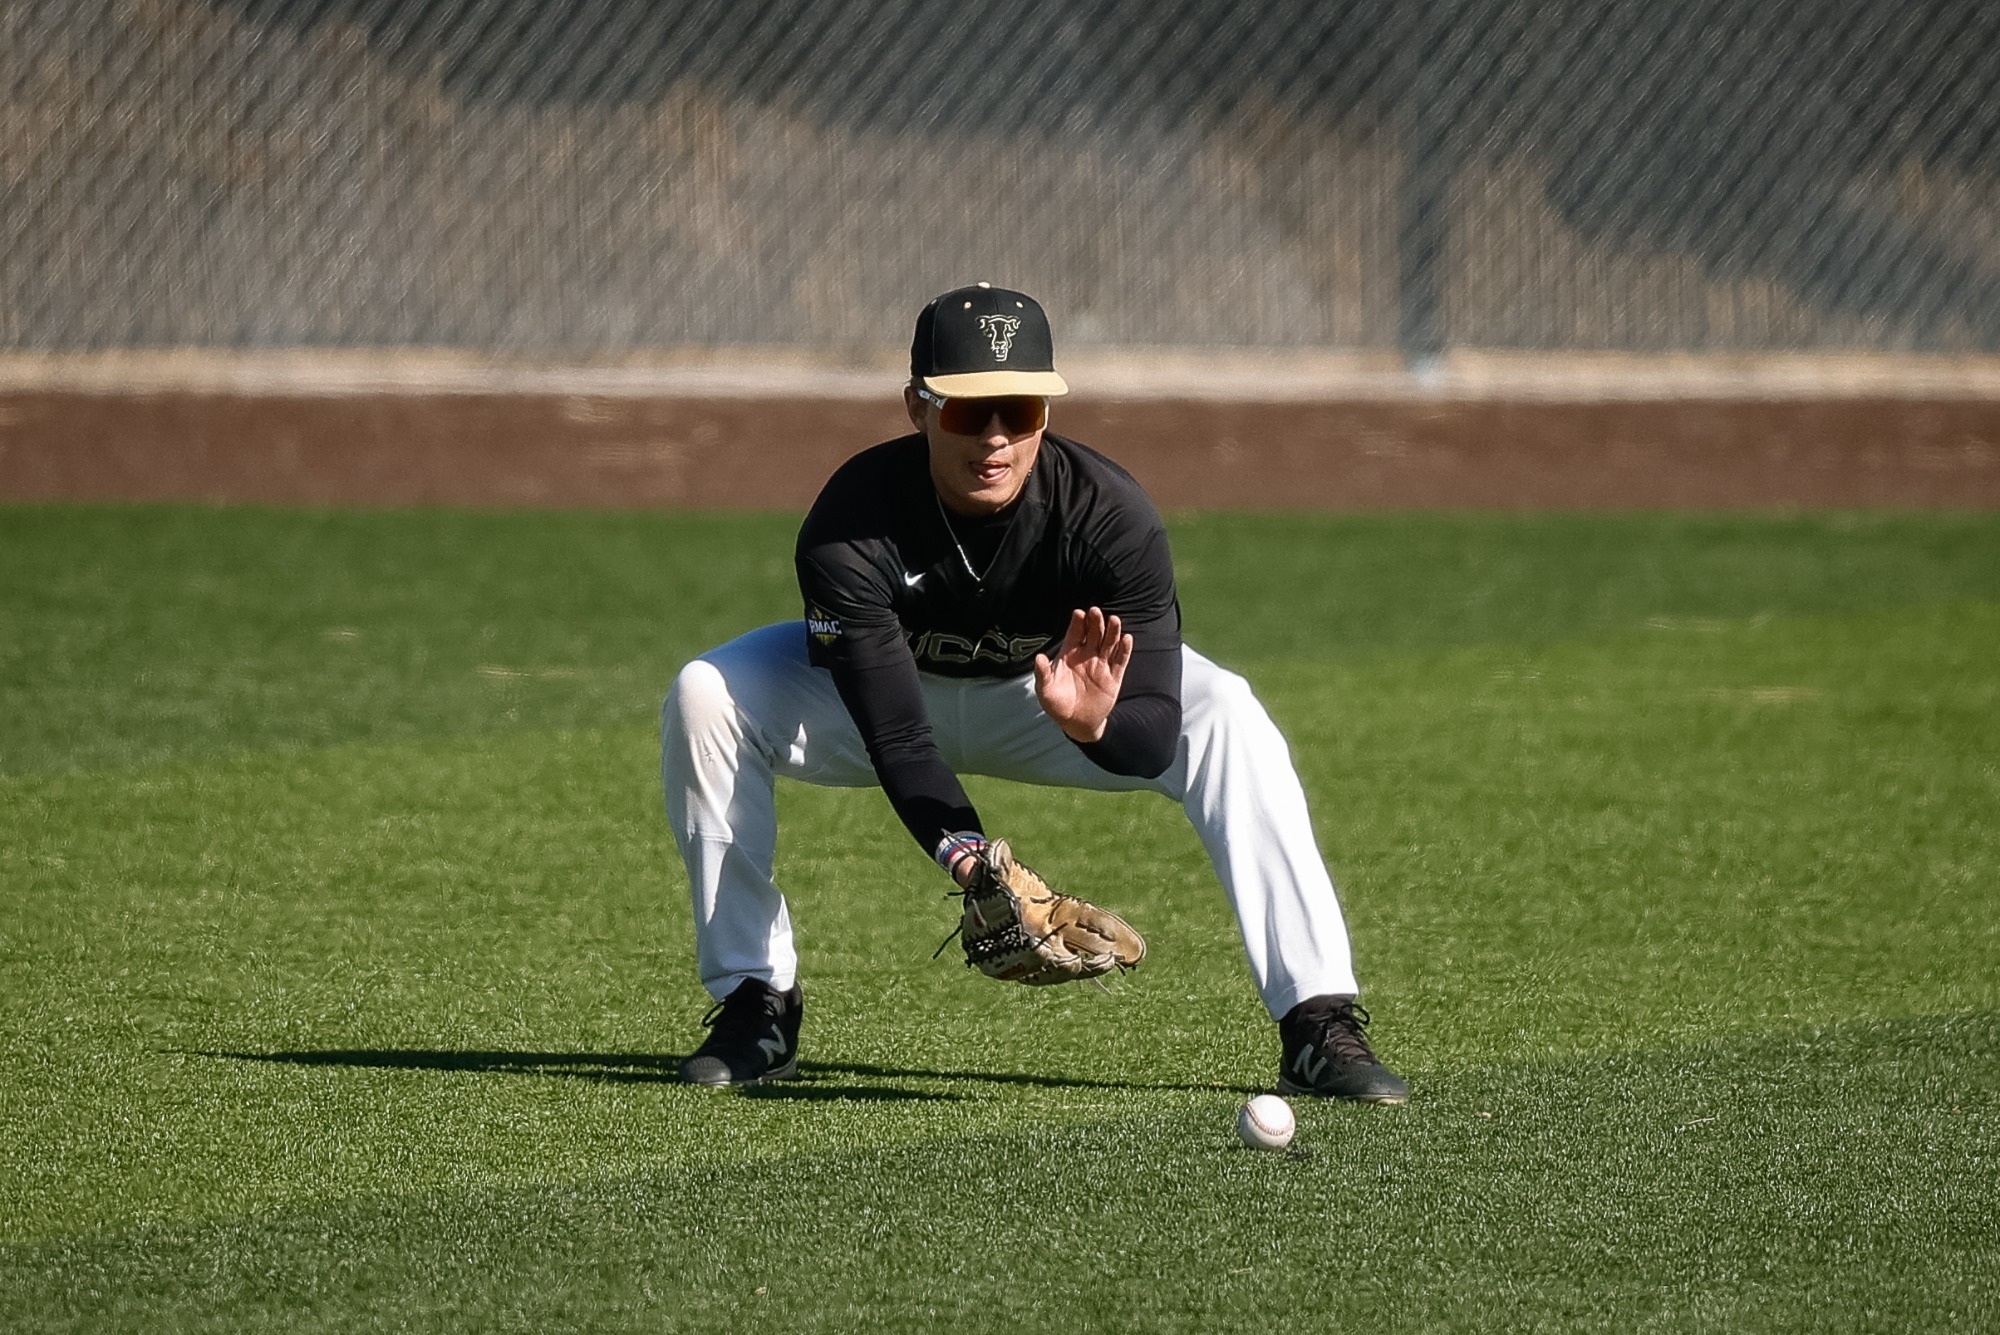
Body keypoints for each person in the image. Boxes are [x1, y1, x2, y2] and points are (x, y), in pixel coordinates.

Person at [661, 283, 1408, 1103]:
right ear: (916, 406)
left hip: (1047, 701)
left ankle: (1316, 1020)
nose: (994, 437)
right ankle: (756, 1003)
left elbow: (1154, 735)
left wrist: (1096, 727)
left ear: (1046, 413)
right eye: (966, 410)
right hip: (881, 703)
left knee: (1229, 715)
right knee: (707, 694)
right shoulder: (852, 522)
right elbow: (901, 739)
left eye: (1018, 409)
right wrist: (976, 863)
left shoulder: (1108, 516)